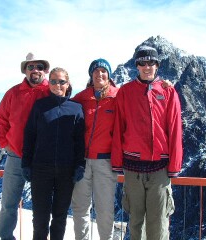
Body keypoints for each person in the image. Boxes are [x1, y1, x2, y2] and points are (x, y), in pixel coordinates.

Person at [111, 46, 183, 240]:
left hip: (159, 169)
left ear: (157, 65)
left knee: (158, 225)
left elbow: (175, 129)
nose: (147, 66)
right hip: (132, 168)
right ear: (137, 66)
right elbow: (118, 128)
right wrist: (117, 163)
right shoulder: (125, 92)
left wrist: (174, 166)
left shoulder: (168, 92)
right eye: (142, 62)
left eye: (151, 62)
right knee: (135, 224)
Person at [22, 67, 85, 240]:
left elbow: (80, 141)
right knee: (40, 216)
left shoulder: (76, 109)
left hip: (66, 170)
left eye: (62, 81)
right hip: (41, 169)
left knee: (60, 216)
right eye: (54, 81)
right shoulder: (40, 106)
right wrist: (26, 164)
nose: (58, 85)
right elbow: (30, 135)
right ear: (49, 83)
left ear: (68, 84)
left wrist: (80, 165)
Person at [0, 52, 50, 240]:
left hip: (41, 158)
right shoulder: (13, 93)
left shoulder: (51, 91)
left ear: (46, 70)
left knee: (41, 206)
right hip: (16, 156)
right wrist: (5, 143)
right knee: (8, 203)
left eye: (39, 67)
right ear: (25, 70)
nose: (35, 70)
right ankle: (5, 237)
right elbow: (2, 119)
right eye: (30, 67)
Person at [71, 58, 119, 240]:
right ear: (91, 75)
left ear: (109, 75)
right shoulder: (82, 97)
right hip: (82, 161)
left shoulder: (118, 96)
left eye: (103, 71)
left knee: (104, 209)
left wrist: (163, 85)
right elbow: (62, 106)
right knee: (80, 207)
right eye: (96, 71)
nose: (100, 74)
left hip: (105, 161)